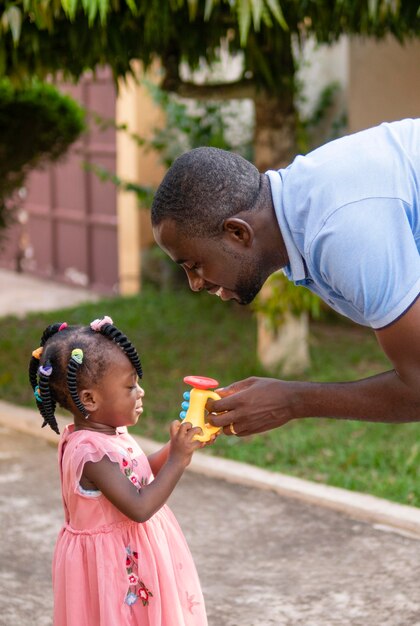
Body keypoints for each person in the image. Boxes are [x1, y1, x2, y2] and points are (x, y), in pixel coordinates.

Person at [151, 118, 420, 437]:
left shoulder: (339, 232)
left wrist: (293, 400)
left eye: (194, 264)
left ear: (238, 232)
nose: (195, 284)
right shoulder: (304, 217)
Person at [29, 316, 210, 626]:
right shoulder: (90, 452)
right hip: (111, 565)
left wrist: (178, 446)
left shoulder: (111, 431)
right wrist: (178, 461)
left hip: (132, 553)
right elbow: (139, 506)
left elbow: (137, 472)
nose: (140, 393)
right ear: (90, 399)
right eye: (130, 386)